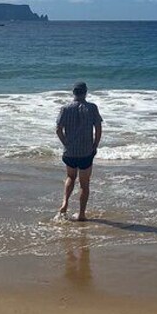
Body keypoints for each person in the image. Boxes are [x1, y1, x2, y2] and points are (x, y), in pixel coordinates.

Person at [55, 81, 102, 221]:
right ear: (85, 92)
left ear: (73, 92)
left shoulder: (65, 108)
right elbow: (98, 129)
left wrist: (65, 143)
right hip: (86, 152)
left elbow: (58, 130)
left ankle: (65, 203)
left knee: (70, 177)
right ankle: (81, 214)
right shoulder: (92, 108)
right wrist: (95, 145)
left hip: (70, 152)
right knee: (84, 183)